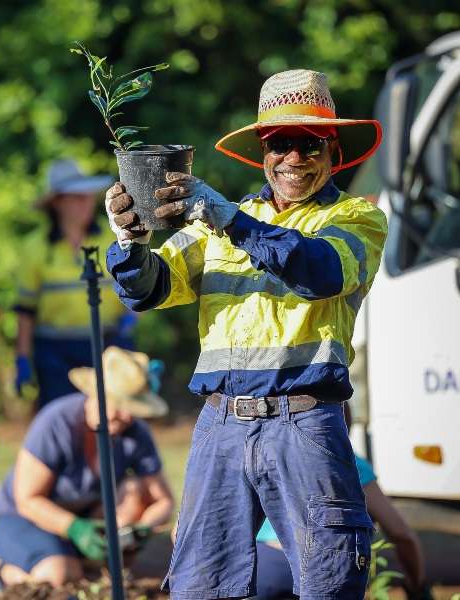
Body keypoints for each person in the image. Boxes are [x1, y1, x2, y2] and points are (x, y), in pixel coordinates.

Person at [105, 69, 388, 599]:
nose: (294, 158)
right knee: (200, 585)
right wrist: (129, 243)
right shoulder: (221, 219)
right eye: (282, 144)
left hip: (305, 423)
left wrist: (229, 219)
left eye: (309, 144)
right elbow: (149, 290)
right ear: (264, 150)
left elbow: (320, 270)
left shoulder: (356, 217)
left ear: (333, 151)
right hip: (220, 424)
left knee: (329, 582)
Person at [0, 346, 174, 592]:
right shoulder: (56, 423)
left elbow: (163, 500)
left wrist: (143, 527)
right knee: (59, 575)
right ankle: (0, 573)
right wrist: (75, 529)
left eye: (134, 407)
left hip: (84, 519)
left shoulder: (135, 433)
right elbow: (27, 499)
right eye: (120, 404)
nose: (127, 415)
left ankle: (90, 567)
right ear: (97, 395)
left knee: (135, 490)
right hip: (21, 519)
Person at [253, 405, 432, 600]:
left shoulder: (270, 455)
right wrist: (417, 588)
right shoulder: (349, 462)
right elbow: (401, 534)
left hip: (262, 566)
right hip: (318, 566)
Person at [14, 159, 135, 410]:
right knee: (63, 421)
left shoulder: (113, 238)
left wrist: (132, 316)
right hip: (54, 354)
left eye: (88, 197)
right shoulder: (35, 248)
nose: (86, 203)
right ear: (57, 202)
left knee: (114, 421)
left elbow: (137, 285)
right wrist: (22, 358)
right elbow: (25, 310)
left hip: (109, 345)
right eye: (76, 197)